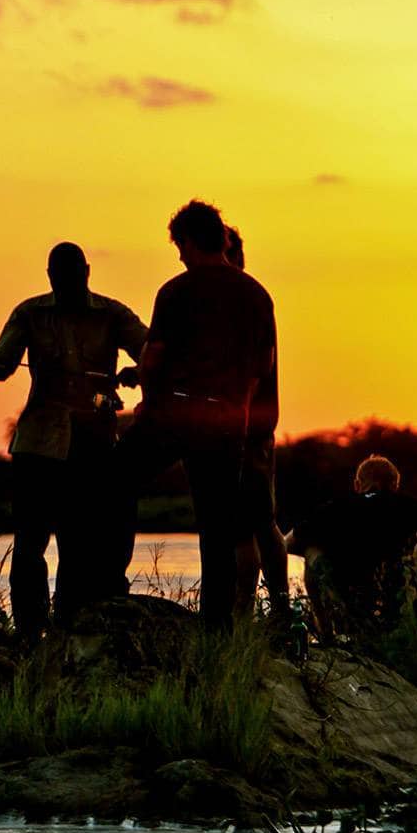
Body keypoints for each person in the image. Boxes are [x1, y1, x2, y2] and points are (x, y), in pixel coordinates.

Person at [0, 243, 146, 633]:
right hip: (37, 443)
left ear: (86, 272)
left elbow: (152, 350)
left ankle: (69, 621)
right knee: (30, 540)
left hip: (92, 441)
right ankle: (30, 629)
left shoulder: (113, 313)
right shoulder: (29, 312)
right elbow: (1, 367)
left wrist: (138, 372)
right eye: (59, 277)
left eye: (73, 276)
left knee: (78, 539)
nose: (66, 284)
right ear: (49, 276)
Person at [109, 201, 277, 628]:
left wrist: (150, 404)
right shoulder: (257, 294)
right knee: (217, 529)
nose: (179, 256)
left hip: (175, 415)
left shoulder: (176, 291)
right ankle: (216, 630)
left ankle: (107, 586)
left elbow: (154, 359)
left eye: (179, 246)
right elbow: (264, 364)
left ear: (187, 241)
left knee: (110, 482)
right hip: (227, 424)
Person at [286, 455, 417, 641]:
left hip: (348, 599)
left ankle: (327, 634)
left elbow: (286, 544)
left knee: (311, 549)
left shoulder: (337, 507)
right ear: (394, 485)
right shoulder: (406, 505)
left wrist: (332, 545)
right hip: (397, 595)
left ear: (357, 484)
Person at [224, 225, 290, 619]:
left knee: (259, 525)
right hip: (242, 430)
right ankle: (246, 612)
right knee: (245, 529)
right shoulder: (245, 297)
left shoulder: (248, 299)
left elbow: (257, 367)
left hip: (250, 431)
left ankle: (277, 608)